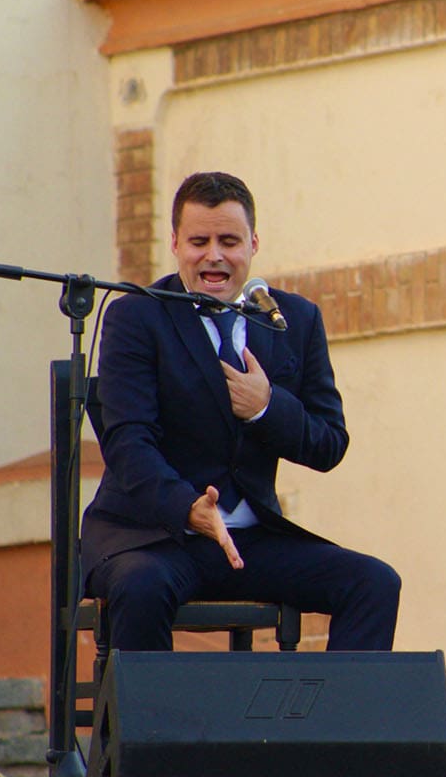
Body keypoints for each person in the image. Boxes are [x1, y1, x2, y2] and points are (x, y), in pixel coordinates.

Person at [81, 171, 400, 651]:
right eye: (198, 241)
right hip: (156, 537)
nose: (214, 255)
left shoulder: (294, 320)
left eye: (229, 241)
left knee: (374, 583)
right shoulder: (136, 316)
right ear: (174, 243)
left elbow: (329, 442)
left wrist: (267, 408)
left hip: (251, 542)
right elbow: (128, 441)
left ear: (253, 243)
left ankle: (328, 727)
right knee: (141, 586)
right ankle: (143, 728)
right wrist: (188, 509)